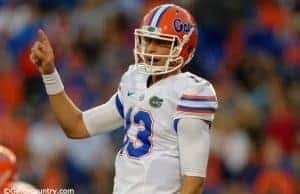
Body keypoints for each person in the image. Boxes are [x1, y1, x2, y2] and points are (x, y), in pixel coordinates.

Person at [30, 3, 218, 194]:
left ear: (183, 47)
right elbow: (76, 126)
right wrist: (49, 73)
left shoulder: (191, 91)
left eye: (161, 42)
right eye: (148, 40)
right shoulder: (134, 80)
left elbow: (194, 182)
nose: (151, 49)